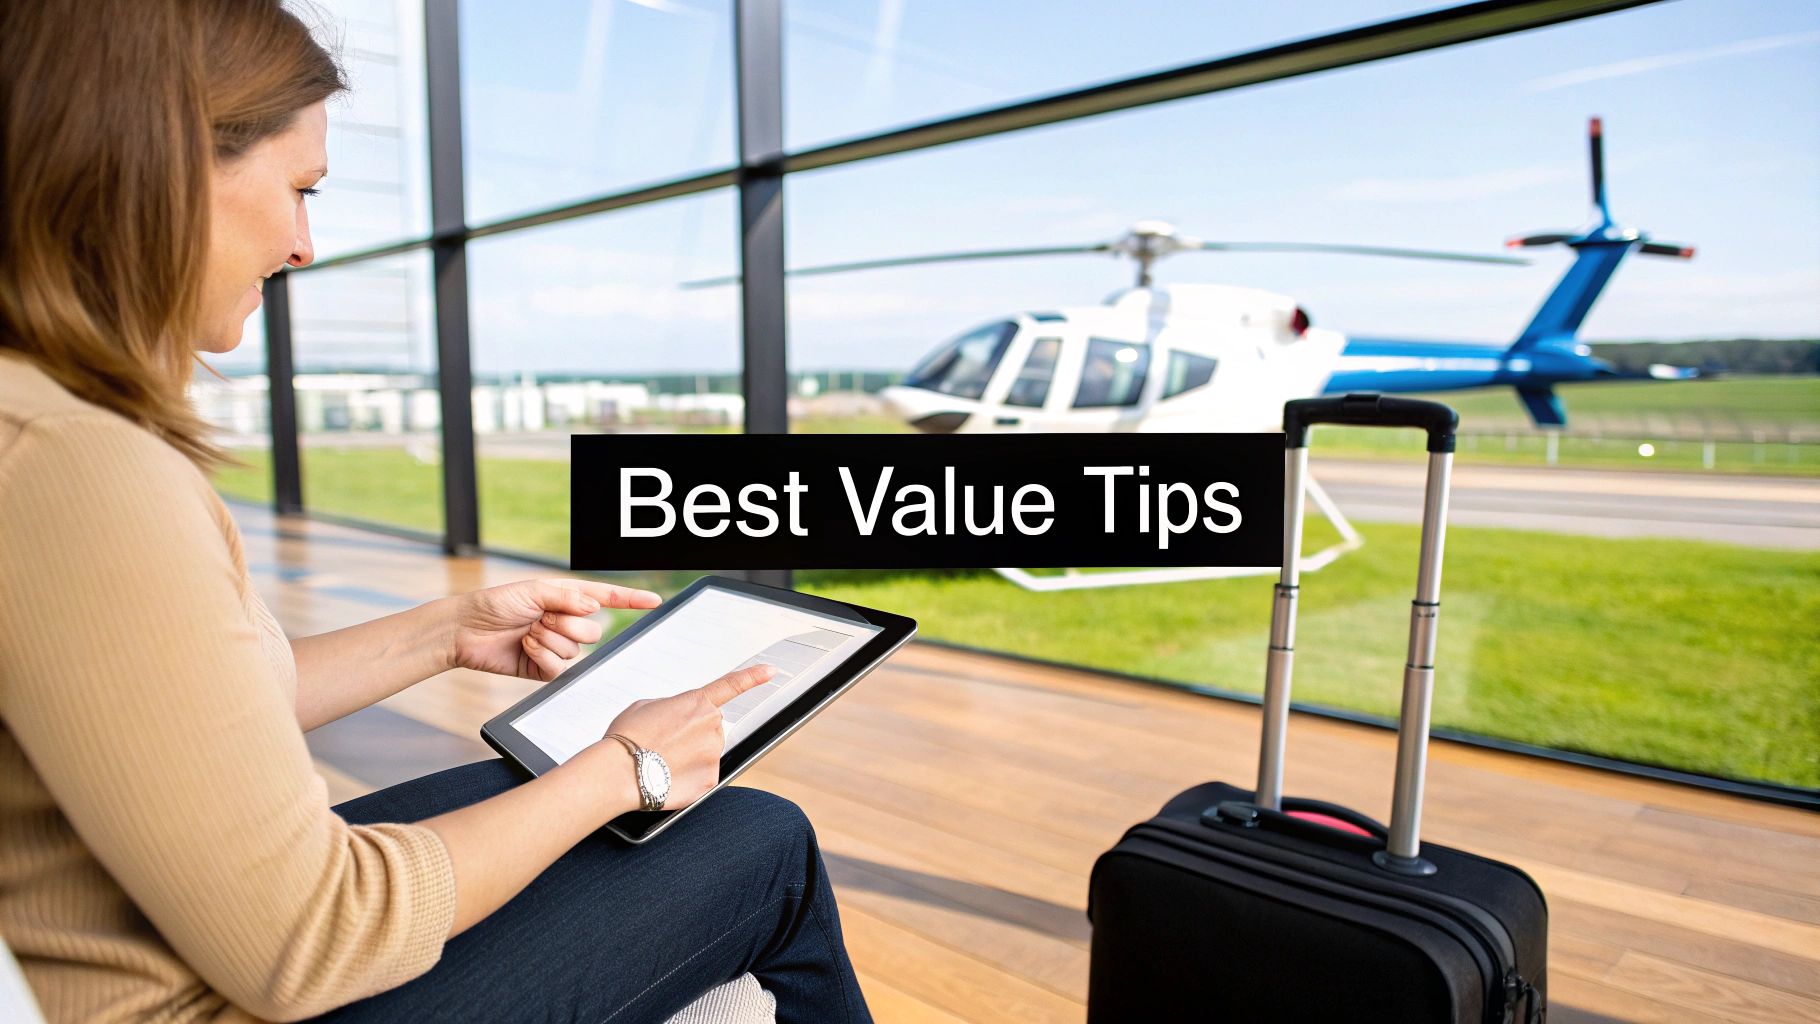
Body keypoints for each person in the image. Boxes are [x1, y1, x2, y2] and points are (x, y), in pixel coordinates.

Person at [0, 2, 872, 1022]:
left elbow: (174, 722)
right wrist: (620, 768)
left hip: (145, 948)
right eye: (299, 190)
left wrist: (445, 632)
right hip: (199, 997)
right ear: (157, 169)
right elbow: (305, 941)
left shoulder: (35, 425)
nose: (303, 244)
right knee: (759, 840)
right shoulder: (74, 466)